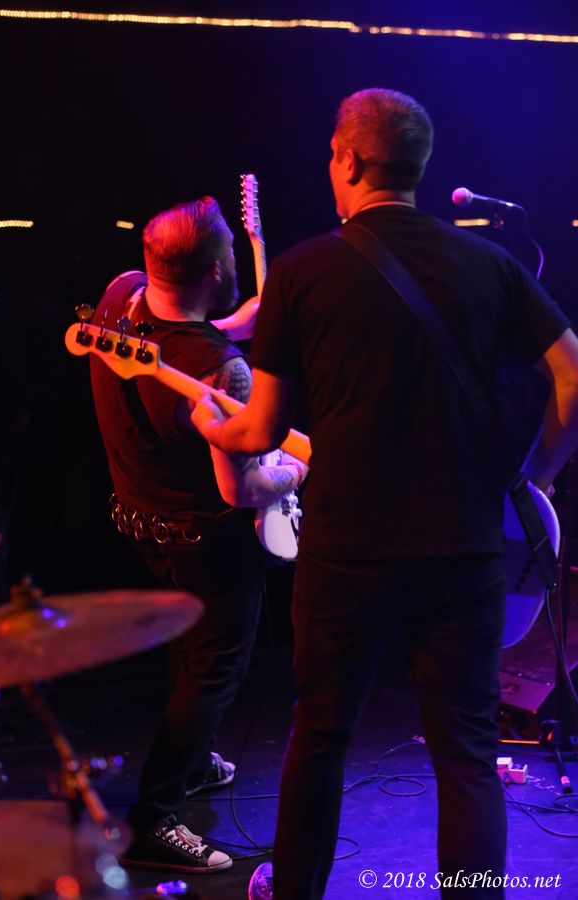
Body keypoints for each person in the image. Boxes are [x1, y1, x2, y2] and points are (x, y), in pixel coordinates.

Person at [191, 89, 578, 899]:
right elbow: (572, 375)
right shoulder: (490, 265)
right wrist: (538, 472)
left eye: (333, 155)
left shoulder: (302, 272)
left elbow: (261, 429)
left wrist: (210, 423)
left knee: (320, 738)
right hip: (465, 547)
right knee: (466, 756)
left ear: (351, 160)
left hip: (349, 552)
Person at [89, 196, 307, 875]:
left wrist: (231, 326)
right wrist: (298, 468)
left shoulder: (121, 297)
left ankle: (193, 758)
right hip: (207, 544)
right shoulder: (220, 371)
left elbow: (178, 338)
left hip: (141, 523)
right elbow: (241, 489)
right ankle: (155, 819)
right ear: (217, 268)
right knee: (214, 669)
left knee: (188, 652)